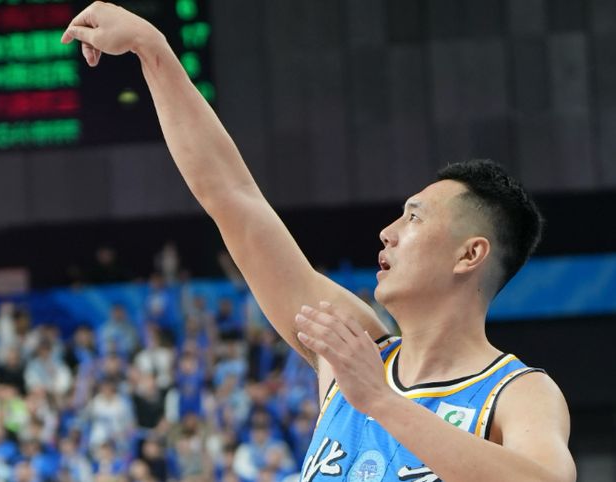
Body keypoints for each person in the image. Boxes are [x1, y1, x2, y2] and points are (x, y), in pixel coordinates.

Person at [62, 4, 576, 482]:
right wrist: (153, 50)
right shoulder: (350, 345)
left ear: (470, 254)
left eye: (415, 217)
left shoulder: (517, 393)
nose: (388, 231)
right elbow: (232, 198)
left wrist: (382, 402)